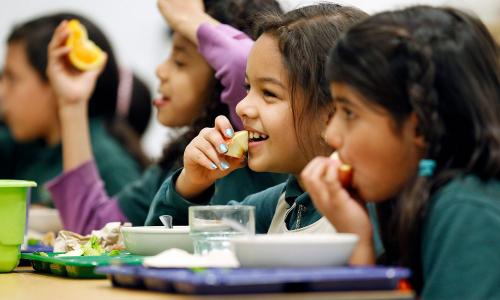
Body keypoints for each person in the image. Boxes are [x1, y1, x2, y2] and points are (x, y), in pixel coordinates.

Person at [301, 6, 500, 299]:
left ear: (420, 128)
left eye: (349, 112)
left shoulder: (467, 211)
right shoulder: (424, 197)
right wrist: (358, 242)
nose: (331, 135)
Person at [47, 0, 286, 234]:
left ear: (221, 75)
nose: (160, 71)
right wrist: (72, 104)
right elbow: (93, 228)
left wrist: (188, 18)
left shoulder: (262, 145)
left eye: (180, 62)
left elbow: (249, 61)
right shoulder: (181, 160)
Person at [145, 3, 369, 234]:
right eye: (247, 87)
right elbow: (166, 248)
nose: (242, 106)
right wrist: (191, 184)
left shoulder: (372, 207)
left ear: (333, 115)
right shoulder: (274, 206)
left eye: (269, 93)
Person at [0, 13, 143, 206]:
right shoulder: (24, 148)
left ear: (57, 78)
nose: (2, 91)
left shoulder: (110, 166)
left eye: (12, 78)